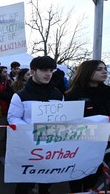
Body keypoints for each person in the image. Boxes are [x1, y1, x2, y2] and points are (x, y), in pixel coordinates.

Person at [7, 56, 63, 194]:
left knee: (46, 183)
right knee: (25, 184)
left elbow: (64, 119)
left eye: (51, 70)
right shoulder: (20, 95)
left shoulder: (58, 94)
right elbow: (13, 117)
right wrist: (31, 131)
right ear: (32, 72)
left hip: (51, 149)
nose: (48, 74)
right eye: (44, 70)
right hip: (29, 149)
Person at [65, 60, 110, 192]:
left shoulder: (108, 92)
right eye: (99, 69)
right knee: (76, 175)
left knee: (95, 175)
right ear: (87, 71)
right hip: (80, 144)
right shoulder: (72, 95)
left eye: (104, 68)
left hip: (104, 143)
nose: (104, 71)